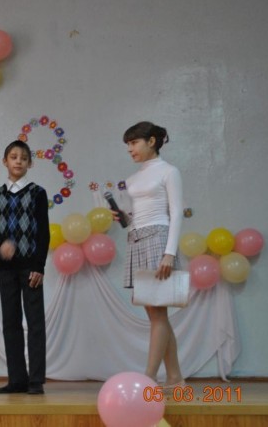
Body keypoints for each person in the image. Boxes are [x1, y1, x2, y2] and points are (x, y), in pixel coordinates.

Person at [113, 121, 184, 390]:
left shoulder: (169, 171)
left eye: (134, 143)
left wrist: (169, 252)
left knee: (158, 313)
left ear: (151, 141)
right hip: (137, 240)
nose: (130, 149)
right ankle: (175, 378)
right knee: (155, 315)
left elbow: (176, 212)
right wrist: (124, 217)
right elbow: (135, 218)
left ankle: (149, 377)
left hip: (159, 239)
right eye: (128, 145)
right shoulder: (132, 179)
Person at [0, 140, 50, 395]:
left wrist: (39, 266)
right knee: (10, 323)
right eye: (13, 156)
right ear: (5, 161)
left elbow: (43, 233)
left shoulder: (38, 193)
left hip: (31, 268)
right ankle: (17, 380)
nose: (18, 161)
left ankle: (36, 380)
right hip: (6, 270)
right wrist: (2, 242)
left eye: (23, 157)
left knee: (35, 323)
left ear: (29, 163)